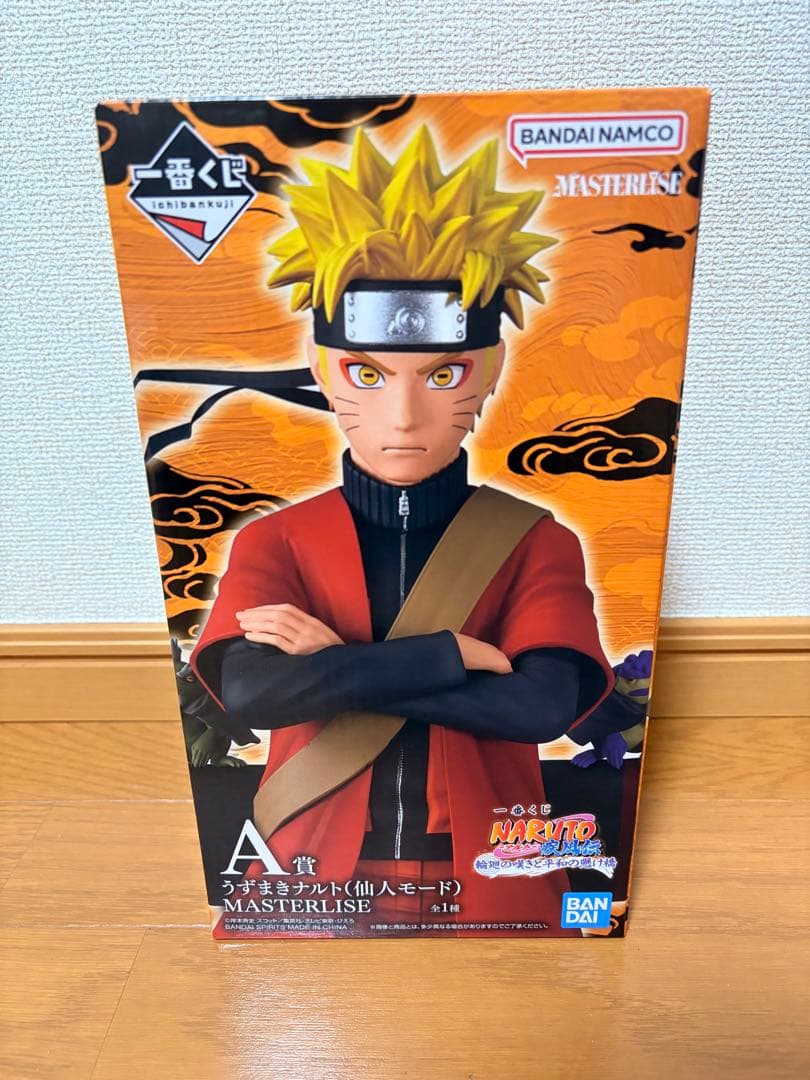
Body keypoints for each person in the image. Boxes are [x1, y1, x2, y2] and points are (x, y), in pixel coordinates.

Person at [191, 126, 617, 932]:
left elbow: (540, 707)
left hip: (493, 874)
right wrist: (449, 656)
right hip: (308, 871)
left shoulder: (535, 540)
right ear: (322, 370)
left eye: (445, 374)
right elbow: (253, 692)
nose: (404, 416)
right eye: (367, 374)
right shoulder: (276, 540)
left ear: (491, 369)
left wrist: (337, 662)